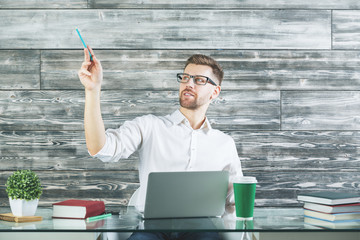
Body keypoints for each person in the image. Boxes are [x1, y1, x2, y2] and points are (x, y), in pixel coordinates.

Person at [78, 46, 243, 240]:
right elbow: (101, 148)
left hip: (202, 228)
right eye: (185, 77)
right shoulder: (150, 126)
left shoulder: (224, 143)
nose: (189, 83)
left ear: (215, 92)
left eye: (199, 80)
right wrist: (92, 90)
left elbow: (234, 202)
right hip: (151, 227)